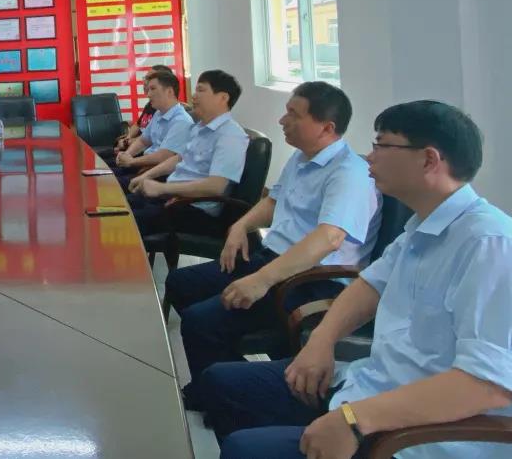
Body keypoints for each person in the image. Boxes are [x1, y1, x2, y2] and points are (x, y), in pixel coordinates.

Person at [202, 100, 512, 459]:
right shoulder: (422, 226)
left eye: (382, 145)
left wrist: (353, 420)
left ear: (428, 160)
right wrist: (322, 341)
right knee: (222, 384)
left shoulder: (490, 245)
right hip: (370, 388)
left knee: (245, 449)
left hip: (418, 435)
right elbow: (369, 285)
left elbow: (487, 385)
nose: (370, 157)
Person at [164, 82, 382, 409]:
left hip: (310, 280)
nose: (282, 120)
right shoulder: (301, 158)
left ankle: (219, 395)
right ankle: (226, 380)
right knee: (182, 282)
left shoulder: (350, 174)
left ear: (326, 127)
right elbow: (273, 201)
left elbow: (329, 238)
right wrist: (240, 227)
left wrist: (261, 280)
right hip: (273, 260)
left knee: (200, 321)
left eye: (293, 114)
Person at [127, 69, 249, 239]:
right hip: (173, 198)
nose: (194, 95)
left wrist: (162, 188)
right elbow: (179, 158)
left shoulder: (230, 135)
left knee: (124, 223)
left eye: (201, 90)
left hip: (195, 210)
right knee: (120, 205)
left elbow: (216, 187)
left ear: (223, 98)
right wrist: (146, 176)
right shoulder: (200, 128)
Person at [113, 68, 194, 189]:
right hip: (143, 164)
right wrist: (126, 154)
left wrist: (131, 162)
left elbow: (163, 156)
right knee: (103, 174)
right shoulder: (158, 113)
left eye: (153, 89)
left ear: (169, 92)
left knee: (109, 184)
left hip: (159, 174)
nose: (148, 94)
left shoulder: (182, 121)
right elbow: (143, 140)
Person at [107, 65, 176, 160]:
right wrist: (127, 139)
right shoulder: (151, 106)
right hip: (135, 148)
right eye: (146, 78)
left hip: (143, 154)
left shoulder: (164, 111)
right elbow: (138, 125)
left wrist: (127, 145)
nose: (145, 82)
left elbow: (152, 140)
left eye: (150, 79)